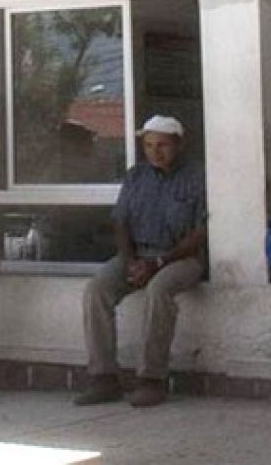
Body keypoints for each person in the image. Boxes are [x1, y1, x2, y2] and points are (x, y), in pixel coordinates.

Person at [74, 115, 206, 409]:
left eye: (163, 145)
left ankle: (152, 379)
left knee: (159, 290)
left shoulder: (198, 177)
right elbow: (120, 222)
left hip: (181, 258)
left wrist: (158, 262)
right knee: (97, 289)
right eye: (148, 145)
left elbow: (200, 233)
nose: (155, 152)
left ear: (179, 144)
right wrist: (130, 260)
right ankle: (103, 376)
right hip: (138, 254)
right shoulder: (136, 176)